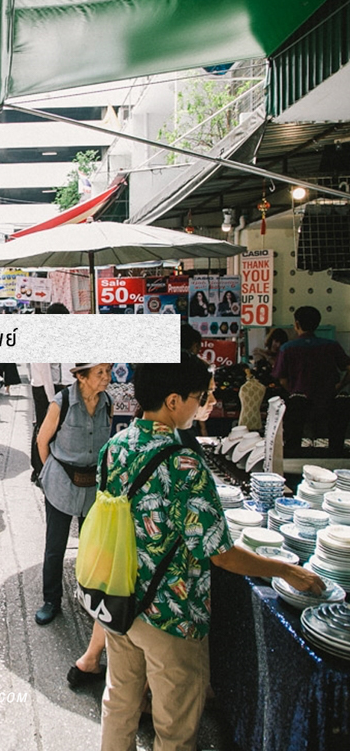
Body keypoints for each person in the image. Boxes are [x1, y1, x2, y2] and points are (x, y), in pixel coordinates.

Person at [99, 353, 325, 751]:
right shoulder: (184, 462)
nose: (204, 404)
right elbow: (221, 555)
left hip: (119, 599)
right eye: (199, 396)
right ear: (173, 401)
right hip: (172, 615)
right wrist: (287, 571)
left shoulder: (114, 446)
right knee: (174, 729)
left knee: (119, 703)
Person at [34, 363, 114, 687]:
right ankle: (51, 599)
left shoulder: (106, 402)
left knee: (91, 548)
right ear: (81, 377)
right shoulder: (61, 402)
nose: (106, 378)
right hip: (62, 480)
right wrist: (49, 473)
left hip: (92, 483)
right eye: (100, 373)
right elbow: (42, 440)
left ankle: (87, 598)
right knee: (55, 547)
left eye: (108, 371)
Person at [272, 306, 350, 455]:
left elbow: (282, 380)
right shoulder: (331, 346)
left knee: (293, 450)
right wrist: (339, 386)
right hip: (328, 405)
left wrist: (294, 393)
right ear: (317, 324)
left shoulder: (287, 348)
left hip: (298, 410)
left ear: (296, 324)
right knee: (334, 451)